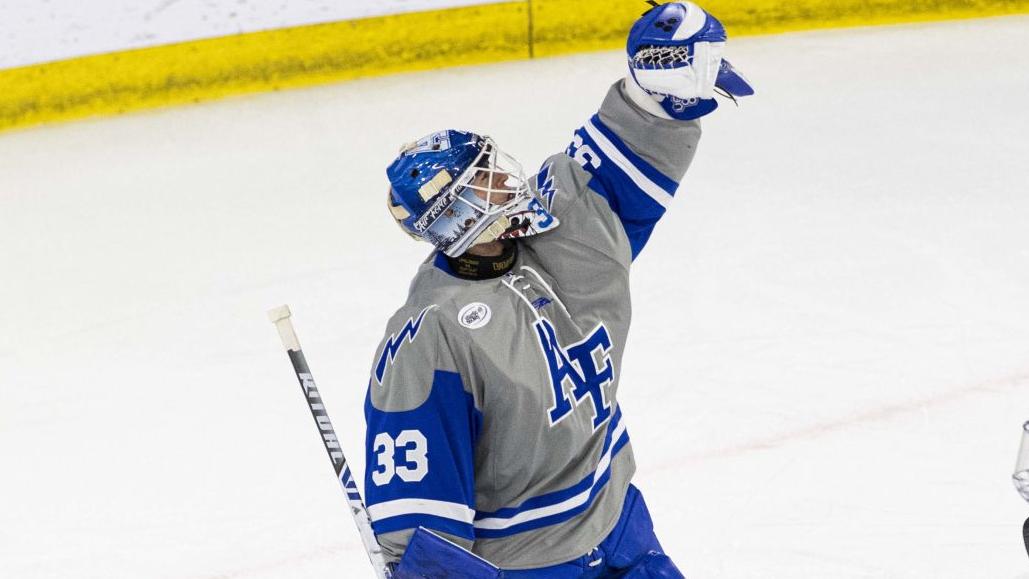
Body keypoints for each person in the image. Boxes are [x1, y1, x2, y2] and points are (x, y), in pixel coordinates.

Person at [362, 3, 753, 577]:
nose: (507, 181)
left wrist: (660, 89)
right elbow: (418, 513)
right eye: (486, 182)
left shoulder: (555, 226)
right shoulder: (432, 335)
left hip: (619, 521)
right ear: (458, 216)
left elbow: (613, 168)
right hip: (536, 564)